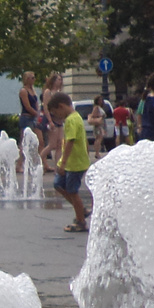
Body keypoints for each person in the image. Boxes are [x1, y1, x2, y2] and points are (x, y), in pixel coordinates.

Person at [48, 92, 90, 233]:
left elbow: (70, 142)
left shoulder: (72, 120)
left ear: (61, 106)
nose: (56, 117)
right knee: (58, 184)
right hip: (73, 161)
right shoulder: (74, 117)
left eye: (55, 113)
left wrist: (63, 162)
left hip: (74, 163)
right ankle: (81, 210)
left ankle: (80, 221)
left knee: (72, 191)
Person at [40, 72, 64, 171]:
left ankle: (57, 167)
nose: (60, 81)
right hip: (52, 120)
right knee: (52, 144)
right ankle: (39, 160)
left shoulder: (59, 92)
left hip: (60, 120)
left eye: (60, 80)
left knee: (59, 144)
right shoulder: (48, 92)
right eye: (58, 79)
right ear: (53, 80)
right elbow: (46, 107)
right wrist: (50, 120)